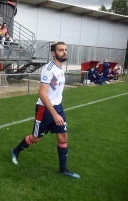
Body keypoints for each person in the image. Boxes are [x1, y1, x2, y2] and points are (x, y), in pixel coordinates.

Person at [10, 42, 80, 179]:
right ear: (53, 53)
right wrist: (54, 114)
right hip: (45, 109)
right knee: (36, 138)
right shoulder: (49, 69)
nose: (64, 52)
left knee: (63, 136)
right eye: (61, 50)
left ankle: (63, 169)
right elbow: (42, 94)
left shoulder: (60, 68)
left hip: (58, 107)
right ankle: (15, 151)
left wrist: (57, 110)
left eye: (65, 50)